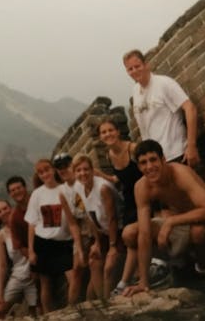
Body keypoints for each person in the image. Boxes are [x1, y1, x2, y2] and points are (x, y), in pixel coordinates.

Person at [123, 140, 205, 297]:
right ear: (139, 167)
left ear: (163, 159)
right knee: (130, 232)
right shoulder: (142, 187)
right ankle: (178, 265)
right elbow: (145, 234)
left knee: (198, 232)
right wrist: (143, 283)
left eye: (153, 160)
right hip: (182, 225)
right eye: (143, 163)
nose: (149, 167)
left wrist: (171, 221)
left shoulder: (181, 174)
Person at [123, 49, 200, 167]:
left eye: (137, 66)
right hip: (156, 161)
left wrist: (191, 146)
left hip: (177, 153)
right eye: (130, 69)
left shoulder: (164, 83)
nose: (134, 71)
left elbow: (190, 108)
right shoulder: (136, 91)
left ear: (146, 65)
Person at [97, 118, 142, 295]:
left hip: (145, 193)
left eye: (110, 130)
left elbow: (147, 168)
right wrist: (100, 174)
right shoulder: (110, 155)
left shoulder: (132, 149)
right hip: (130, 199)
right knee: (128, 236)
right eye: (104, 132)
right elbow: (119, 179)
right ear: (100, 137)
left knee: (135, 233)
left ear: (118, 131)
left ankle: (128, 281)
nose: (108, 134)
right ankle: (128, 280)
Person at [24, 158, 75, 313]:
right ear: (38, 175)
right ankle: (49, 316)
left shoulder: (65, 189)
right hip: (43, 244)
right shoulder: (37, 195)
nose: (45, 174)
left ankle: (74, 310)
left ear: (53, 170)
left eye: (47, 169)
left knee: (73, 277)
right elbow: (32, 225)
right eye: (41, 172)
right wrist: (31, 251)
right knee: (46, 284)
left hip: (64, 242)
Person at [73, 153, 124, 300]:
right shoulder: (79, 188)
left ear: (92, 170)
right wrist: (96, 242)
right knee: (94, 262)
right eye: (79, 170)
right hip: (103, 233)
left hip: (118, 230)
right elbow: (90, 217)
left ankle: (109, 305)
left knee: (109, 267)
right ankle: (103, 301)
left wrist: (112, 246)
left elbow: (112, 218)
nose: (83, 173)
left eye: (86, 169)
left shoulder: (102, 188)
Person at [0, 200, 37, 319]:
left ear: (10, 208)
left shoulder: (25, 223)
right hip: (17, 276)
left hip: (34, 273)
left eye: (5, 208)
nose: (3, 212)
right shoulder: (1, 235)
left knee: (36, 312)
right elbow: (2, 265)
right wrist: (0, 294)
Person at [52, 153, 88, 304]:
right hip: (81, 229)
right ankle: (72, 310)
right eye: (59, 168)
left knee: (95, 262)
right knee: (77, 268)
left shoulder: (83, 180)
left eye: (66, 165)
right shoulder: (62, 192)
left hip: (94, 224)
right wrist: (79, 248)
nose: (63, 169)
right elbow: (72, 223)